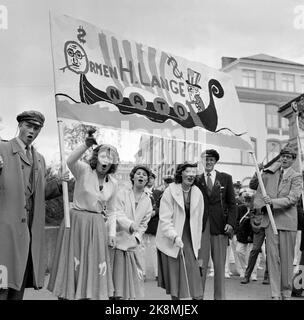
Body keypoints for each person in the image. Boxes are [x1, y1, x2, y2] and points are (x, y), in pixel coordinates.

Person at [0, 111, 67, 300]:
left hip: (29, 230)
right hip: (5, 229)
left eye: (36, 128)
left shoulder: (40, 159)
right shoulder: (2, 149)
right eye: (28, 126)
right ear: (19, 125)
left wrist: (58, 183)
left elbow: (38, 194)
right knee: (2, 283)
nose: (31, 131)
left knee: (19, 283)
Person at [47, 134, 119, 300]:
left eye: (109, 160)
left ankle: (87, 294)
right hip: (77, 221)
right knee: (73, 262)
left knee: (93, 265)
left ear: (112, 164)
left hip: (97, 225)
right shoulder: (84, 170)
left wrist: (112, 234)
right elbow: (70, 161)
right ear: (96, 159)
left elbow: (112, 211)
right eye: (102, 158)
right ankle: (67, 294)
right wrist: (86, 145)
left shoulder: (113, 183)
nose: (105, 162)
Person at [251, 146, 302, 299]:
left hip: (287, 223)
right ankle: (275, 294)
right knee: (272, 259)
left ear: (293, 160)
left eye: (288, 157)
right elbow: (254, 185)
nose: (285, 159)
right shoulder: (270, 173)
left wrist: (272, 202)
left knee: (286, 260)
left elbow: (293, 198)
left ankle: (285, 292)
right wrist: (257, 171)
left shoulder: (296, 176)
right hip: (270, 223)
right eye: (283, 156)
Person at [156, 162, 204, 300]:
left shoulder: (197, 192)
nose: (191, 175)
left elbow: (199, 220)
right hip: (172, 237)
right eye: (187, 171)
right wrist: (174, 236)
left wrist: (198, 243)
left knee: (193, 274)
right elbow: (165, 219)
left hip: (190, 238)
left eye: (193, 172)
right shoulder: (169, 191)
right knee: (175, 278)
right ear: (181, 173)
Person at [195, 149, 237, 300]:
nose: (208, 162)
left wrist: (231, 223)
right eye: (206, 159)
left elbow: (233, 204)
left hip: (220, 227)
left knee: (220, 266)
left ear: (215, 161)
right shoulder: (196, 179)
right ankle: (198, 296)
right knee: (201, 265)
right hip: (201, 228)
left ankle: (219, 297)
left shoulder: (225, 178)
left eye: (211, 159)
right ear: (202, 161)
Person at [110, 165, 152, 299]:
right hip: (118, 241)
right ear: (133, 177)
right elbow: (117, 213)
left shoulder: (148, 200)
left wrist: (137, 237)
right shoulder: (122, 193)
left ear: (147, 181)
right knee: (116, 281)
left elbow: (144, 223)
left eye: (144, 175)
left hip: (133, 245)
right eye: (138, 173)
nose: (141, 176)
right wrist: (130, 225)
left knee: (133, 282)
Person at [141, 171, 163, 280]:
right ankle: (142, 273)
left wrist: (156, 212)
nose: (150, 180)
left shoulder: (159, 192)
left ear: (154, 180)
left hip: (154, 223)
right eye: (148, 178)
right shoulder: (140, 191)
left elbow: (163, 206)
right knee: (142, 249)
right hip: (143, 222)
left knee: (155, 248)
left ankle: (157, 274)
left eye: (152, 178)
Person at [235, 192, 258, 281]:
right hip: (242, 235)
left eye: (249, 200)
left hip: (253, 234)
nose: (247, 202)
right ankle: (245, 270)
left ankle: (253, 274)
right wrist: (237, 230)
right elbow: (237, 220)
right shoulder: (240, 208)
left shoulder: (256, 209)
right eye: (246, 200)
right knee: (238, 251)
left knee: (254, 255)